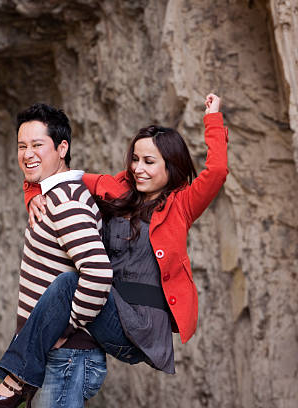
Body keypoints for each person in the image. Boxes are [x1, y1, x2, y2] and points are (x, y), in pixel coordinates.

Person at [21, 93, 228, 377]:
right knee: (65, 282)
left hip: (141, 328)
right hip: (111, 310)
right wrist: (32, 193)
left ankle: (15, 379)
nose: (138, 169)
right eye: (135, 159)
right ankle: (23, 377)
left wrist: (212, 118)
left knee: (71, 282)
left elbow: (216, 171)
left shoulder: (182, 205)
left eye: (149, 162)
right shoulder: (119, 191)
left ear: (171, 165)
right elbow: (61, 176)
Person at [0, 103, 113, 408]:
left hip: (66, 354)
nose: (27, 154)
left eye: (38, 145)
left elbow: (98, 271)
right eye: (22, 146)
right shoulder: (50, 196)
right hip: (53, 353)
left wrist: (67, 329)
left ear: (62, 148)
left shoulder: (66, 200)